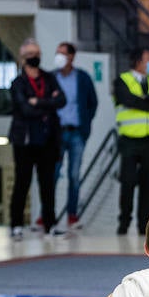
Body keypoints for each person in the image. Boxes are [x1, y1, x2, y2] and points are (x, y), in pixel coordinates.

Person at [7, 38, 65, 242]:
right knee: (22, 182)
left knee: (48, 184)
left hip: (48, 139)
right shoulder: (18, 83)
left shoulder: (49, 78)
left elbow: (61, 100)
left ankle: (50, 224)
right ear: (23, 58)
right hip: (25, 140)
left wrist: (38, 101)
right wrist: (48, 103)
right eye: (31, 54)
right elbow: (25, 109)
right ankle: (16, 225)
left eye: (37, 53)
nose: (35, 57)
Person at [112, 48, 149, 236]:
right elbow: (127, 100)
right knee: (127, 182)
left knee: (148, 184)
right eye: (148, 59)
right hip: (129, 140)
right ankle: (124, 223)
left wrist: (145, 99)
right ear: (137, 61)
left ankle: (144, 226)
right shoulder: (122, 81)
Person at [51, 42, 98, 231]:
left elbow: (92, 104)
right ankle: (48, 215)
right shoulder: (52, 78)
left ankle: (72, 214)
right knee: (52, 174)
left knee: (74, 175)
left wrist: (85, 123)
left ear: (71, 57)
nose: (59, 56)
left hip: (77, 132)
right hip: (56, 133)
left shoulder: (83, 78)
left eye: (62, 53)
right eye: (57, 53)